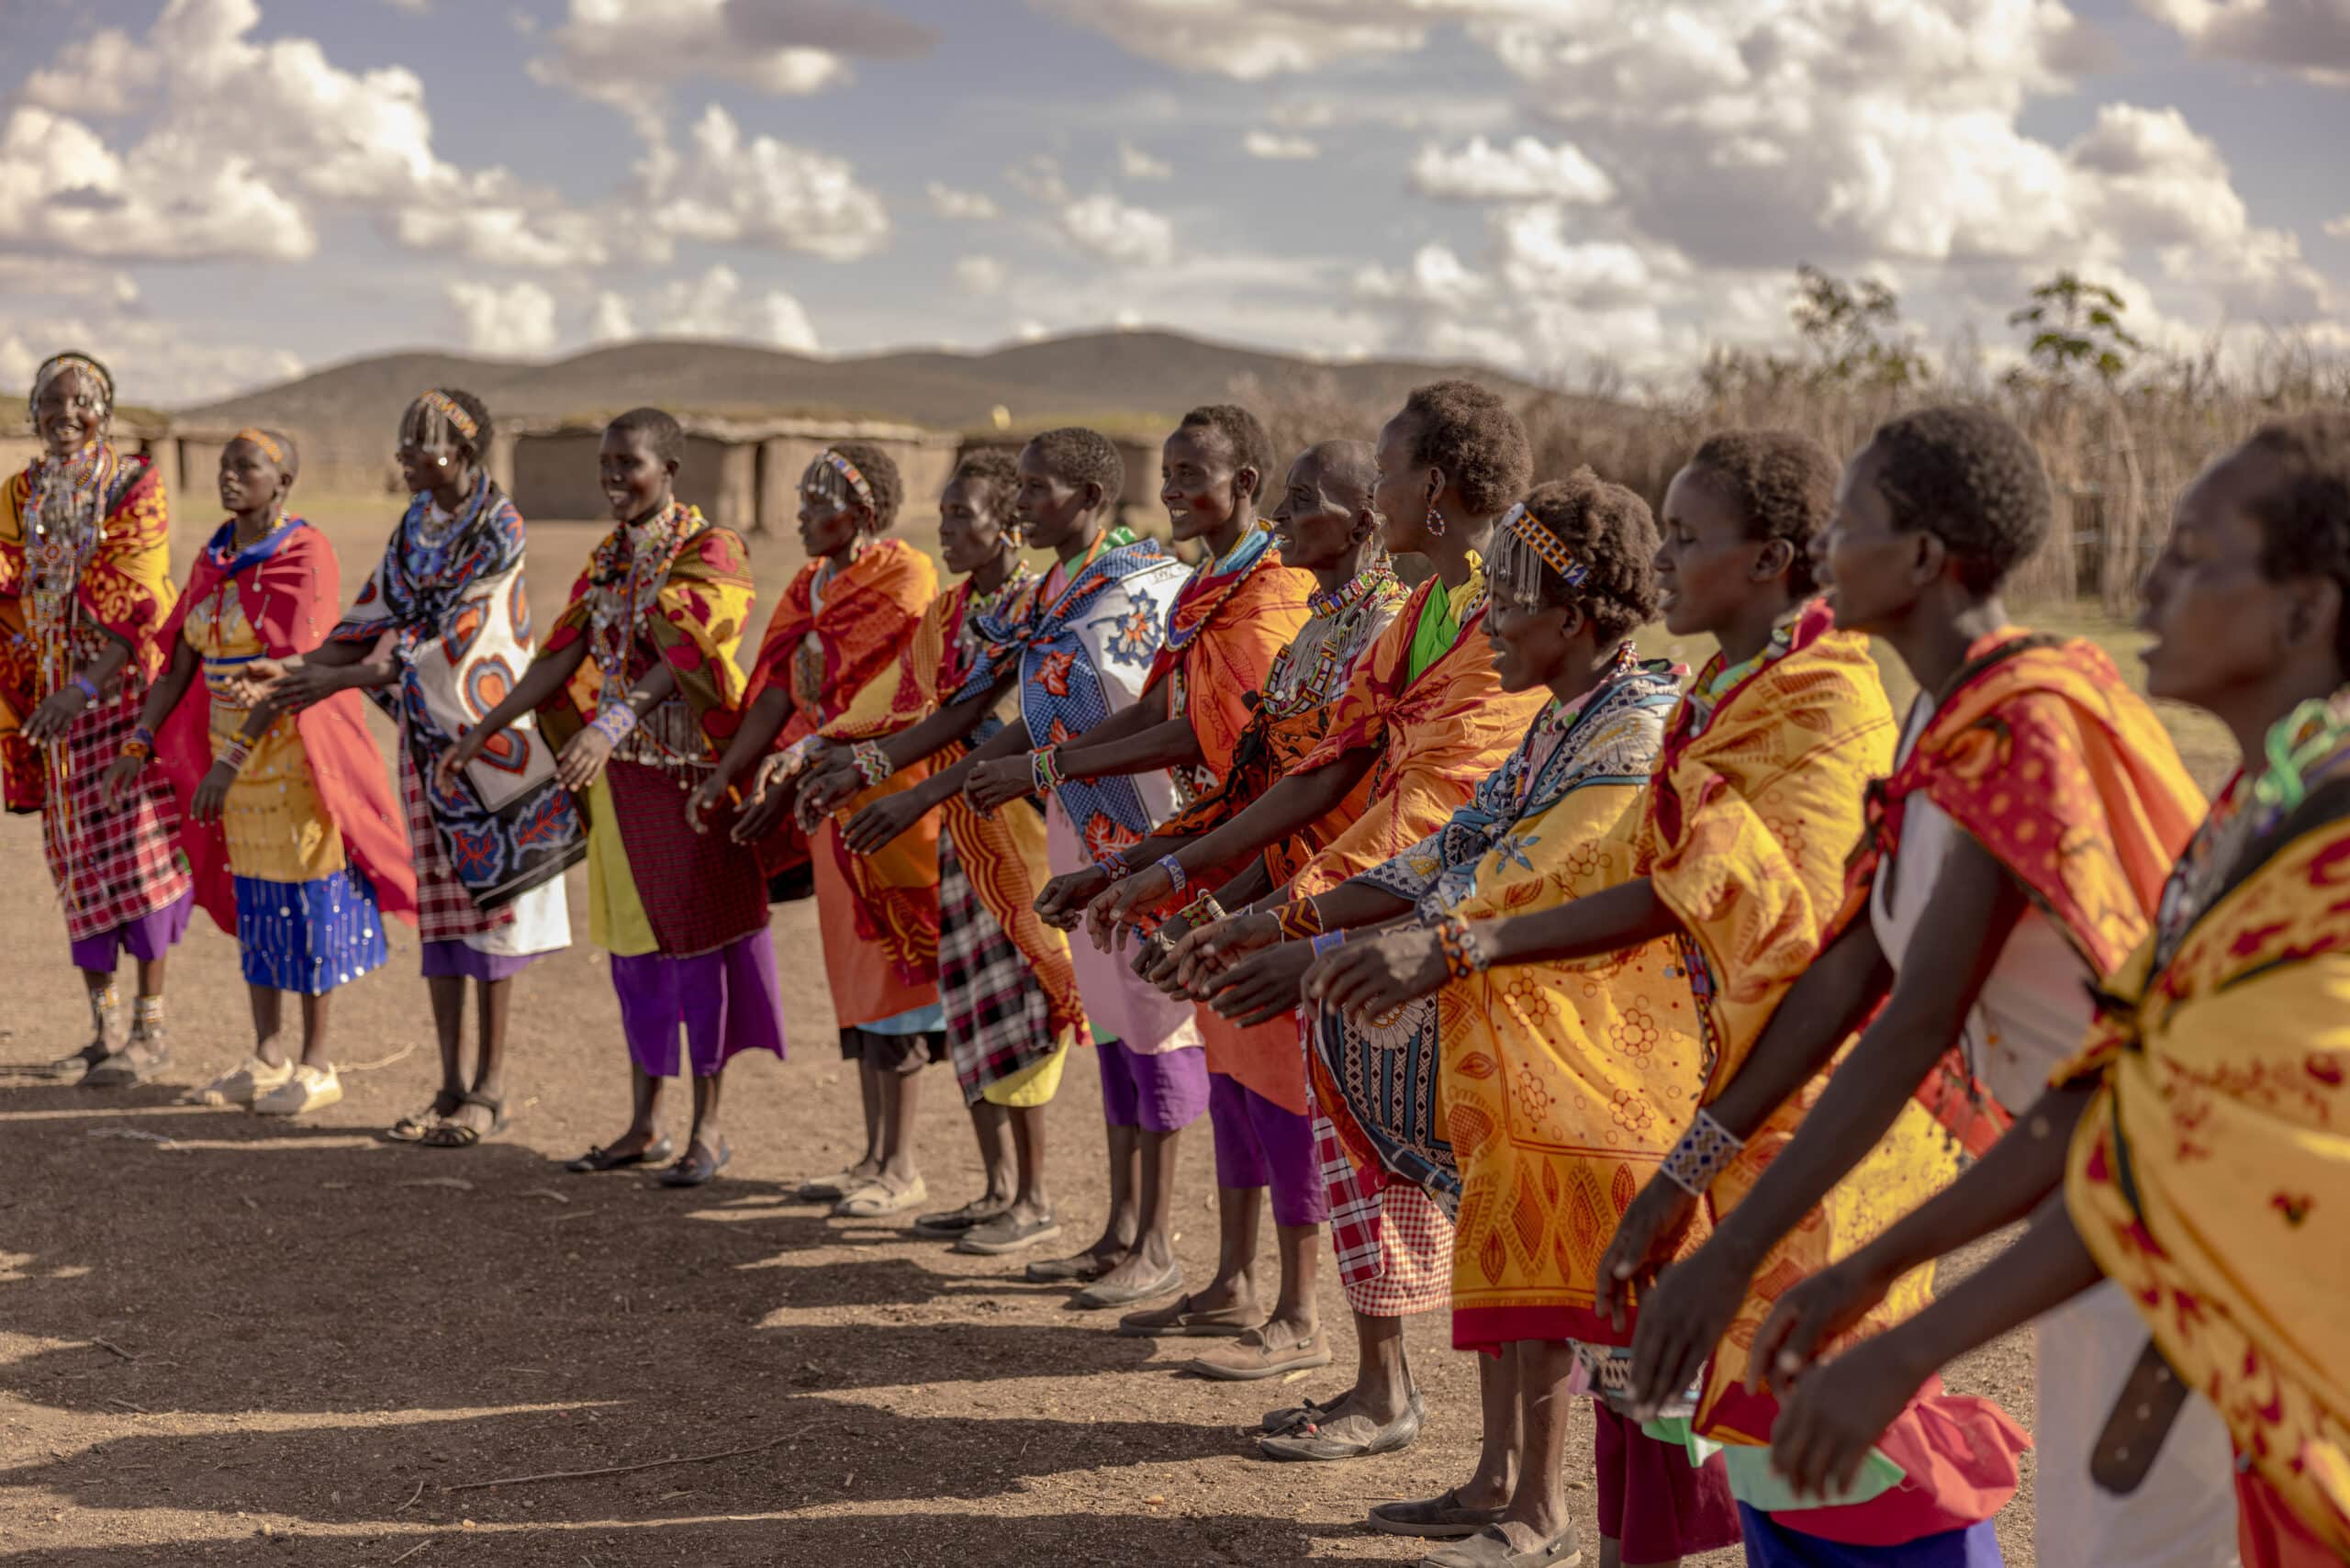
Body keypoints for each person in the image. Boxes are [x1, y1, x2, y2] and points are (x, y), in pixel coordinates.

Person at [1307, 430, 2020, 1562]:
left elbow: (1810, 958)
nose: (1662, 560)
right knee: (1757, 1442)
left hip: (1811, 1116)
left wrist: (1454, 949)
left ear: (1770, 559)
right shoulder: (1726, 699)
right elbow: (1646, 876)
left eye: (1686, 538)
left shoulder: (1823, 707)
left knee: (1844, 1436)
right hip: (1724, 1095)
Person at [1601, 407, 2228, 1566]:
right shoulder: (1945, 721)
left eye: (1849, 522)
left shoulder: (2024, 727)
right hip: (2081, 1199)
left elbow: (1913, 1020)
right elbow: (1846, 974)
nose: (1824, 544)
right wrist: (1683, 1180)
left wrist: (1751, 1257)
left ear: (1928, 559)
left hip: (2162, 1206)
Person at [1762, 413, 2350, 1567]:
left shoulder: (2327, 866)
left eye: (2191, 553)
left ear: (2303, 612)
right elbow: (2110, 1091)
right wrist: (1866, 1280)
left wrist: (1904, 1339)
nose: (2145, 581)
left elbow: (2168, 1142)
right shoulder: (2252, 820)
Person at [1100, 382, 1550, 1467]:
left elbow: (1427, 813)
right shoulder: (1423, 614)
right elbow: (1317, 768)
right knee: (1364, 1159)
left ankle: (1500, 1472)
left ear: (1429, 490)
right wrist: (1199, 882)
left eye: (1385, 472)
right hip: (1354, 918)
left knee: (1470, 1184)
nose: (1376, 490)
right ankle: (1382, 1389)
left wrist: (1276, 920)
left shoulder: (1499, 624)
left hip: (1436, 930)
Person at [968, 406, 1321, 1363]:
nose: (1170, 488)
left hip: (1241, 857)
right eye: (1163, 469)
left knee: (1253, 1071)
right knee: (1219, 1063)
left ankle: (1278, 1301)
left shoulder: (1267, 596)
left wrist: (1047, 774)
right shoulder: (1205, 586)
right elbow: (1167, 710)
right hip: (1181, 844)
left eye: (1190, 471)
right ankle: (1225, 1274)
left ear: (1246, 480)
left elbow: (1215, 742)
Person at [837, 427, 1194, 1306]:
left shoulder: (1141, 584)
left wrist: (971, 782)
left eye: (1036, 490)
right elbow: (999, 710)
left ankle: (1156, 1241)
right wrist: (901, 776)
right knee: (1114, 1030)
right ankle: (1117, 1231)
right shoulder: (1051, 594)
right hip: (1080, 824)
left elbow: (1112, 715)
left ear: (1089, 498)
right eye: (1023, 488)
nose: (1022, 504)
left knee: (1158, 1029)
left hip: (1148, 827)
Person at [441, 407, 784, 1187]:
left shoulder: (712, 551)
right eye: (604, 464)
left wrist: (610, 721)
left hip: (695, 781)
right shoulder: (608, 560)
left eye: (627, 464)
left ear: (669, 470)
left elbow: (688, 648)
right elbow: (558, 657)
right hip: (623, 785)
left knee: (700, 956)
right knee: (636, 958)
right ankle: (643, 1124)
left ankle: (709, 1129)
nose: (612, 478)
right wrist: (482, 729)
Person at [245, 390, 579, 1147]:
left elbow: (463, 637)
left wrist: (341, 680)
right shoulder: (416, 528)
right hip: (429, 747)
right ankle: (448, 1085)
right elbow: (370, 620)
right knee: (445, 918)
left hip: (493, 747)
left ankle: (488, 1092)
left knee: (492, 914)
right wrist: (292, 667)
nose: (402, 455)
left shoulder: (499, 526)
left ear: (458, 454)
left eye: (414, 444)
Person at [796, 450, 1082, 1255]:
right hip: (964, 839)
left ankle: (1032, 1197)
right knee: (972, 1010)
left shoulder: (1036, 613)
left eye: (966, 517)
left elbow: (977, 720)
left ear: (1010, 525)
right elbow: (913, 703)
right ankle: (996, 1187)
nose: (949, 531)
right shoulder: (954, 613)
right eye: (945, 516)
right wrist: (845, 750)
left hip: (1022, 838)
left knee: (1023, 1009)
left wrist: (898, 784)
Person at [105, 430, 416, 1115]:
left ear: (282, 482)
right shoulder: (214, 556)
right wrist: (139, 741)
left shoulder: (305, 555)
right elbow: (179, 662)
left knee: (306, 905)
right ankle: (267, 1055)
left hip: (292, 761)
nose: (229, 477)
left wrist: (231, 760)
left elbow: (294, 672)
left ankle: (317, 1062)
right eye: (224, 467)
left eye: (245, 468)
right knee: (257, 907)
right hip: (229, 761)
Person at [699, 443, 943, 1219]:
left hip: (889, 801)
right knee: (853, 972)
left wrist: (800, 761)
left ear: (863, 513)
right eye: (800, 499)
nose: (800, 514)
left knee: (894, 969)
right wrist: (729, 772)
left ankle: (902, 1165)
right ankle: (872, 1154)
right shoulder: (811, 584)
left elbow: (886, 692)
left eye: (816, 501)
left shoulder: (905, 578)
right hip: (823, 801)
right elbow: (773, 689)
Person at [1, 352, 193, 1087]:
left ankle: (152, 1031)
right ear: (34, 413)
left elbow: (141, 599)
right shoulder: (20, 493)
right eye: (51, 402)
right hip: (49, 710)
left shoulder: (132, 483)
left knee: (139, 860)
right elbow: (10, 572)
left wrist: (82, 688)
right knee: (76, 867)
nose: (66, 414)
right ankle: (103, 1030)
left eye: (82, 402)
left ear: (105, 412)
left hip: (115, 701)